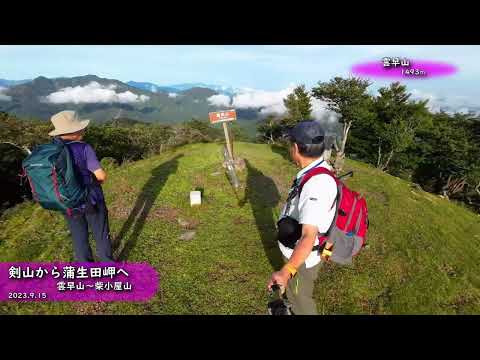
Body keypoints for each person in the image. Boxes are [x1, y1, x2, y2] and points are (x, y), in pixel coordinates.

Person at [267, 121, 337, 315]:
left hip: (303, 258)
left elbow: (308, 236)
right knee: (294, 291)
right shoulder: (319, 169)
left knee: (301, 298)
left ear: (296, 148)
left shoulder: (316, 185)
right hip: (302, 251)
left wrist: (287, 270)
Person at [48, 110, 114, 262]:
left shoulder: (53, 150)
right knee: (100, 232)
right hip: (91, 198)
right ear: (75, 130)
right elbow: (101, 175)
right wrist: (97, 182)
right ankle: (108, 265)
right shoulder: (84, 148)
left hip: (67, 201)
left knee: (79, 236)